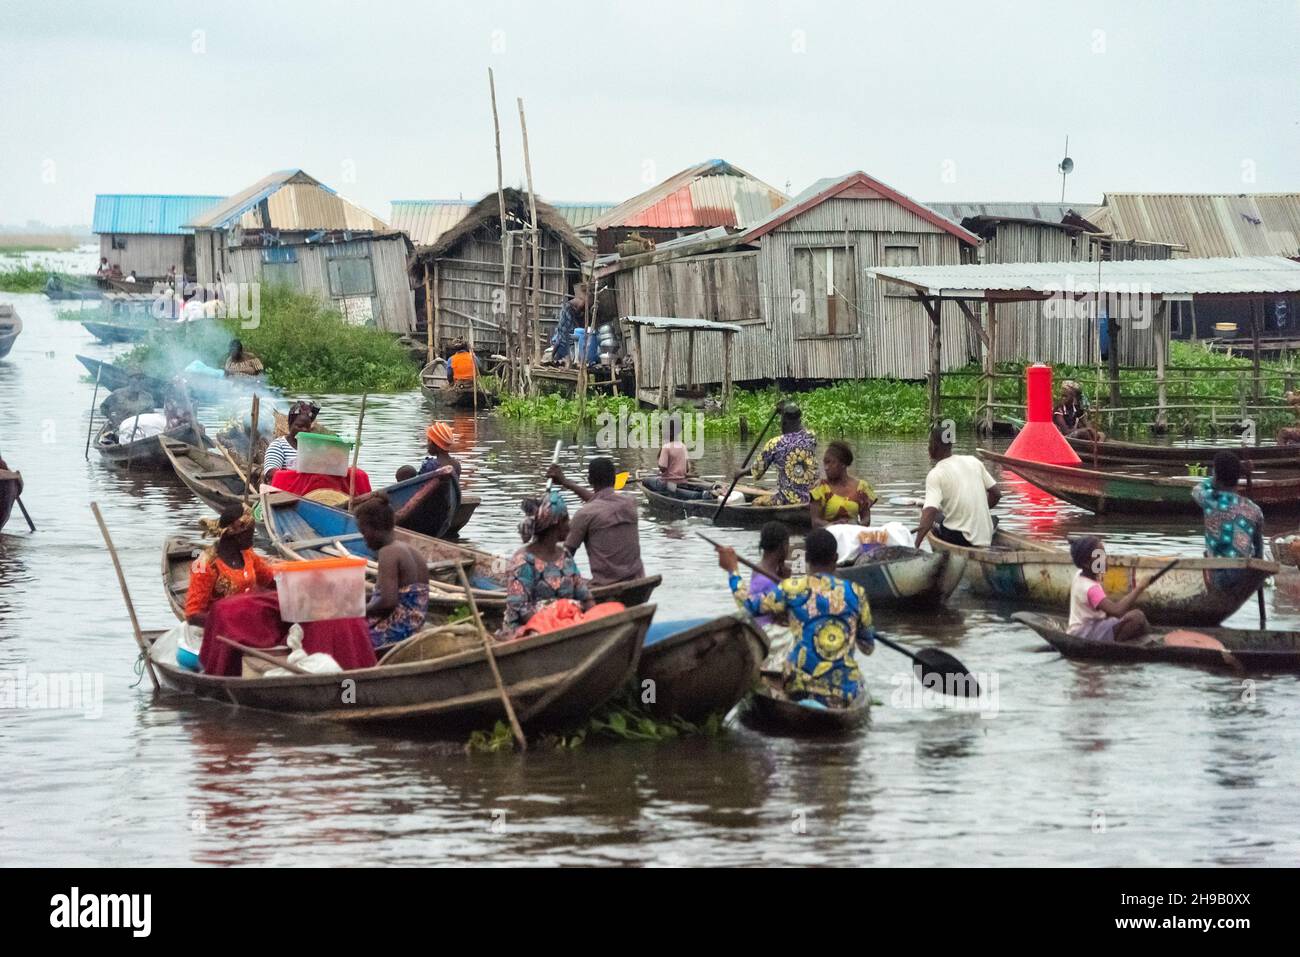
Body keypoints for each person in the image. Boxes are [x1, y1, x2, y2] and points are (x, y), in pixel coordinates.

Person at [718, 528, 873, 708]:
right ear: (836, 558)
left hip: (798, 687)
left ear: (806, 559)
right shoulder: (856, 593)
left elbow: (747, 606)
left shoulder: (792, 589)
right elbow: (867, 647)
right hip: (843, 690)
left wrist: (733, 571)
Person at [502, 489, 593, 636]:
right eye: (565, 520)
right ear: (554, 525)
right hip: (530, 631)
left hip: (567, 625)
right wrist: (554, 626)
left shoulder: (565, 556)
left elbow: (585, 596)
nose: (569, 525)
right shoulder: (523, 561)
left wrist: (592, 617)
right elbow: (520, 610)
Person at [547, 457, 646, 586]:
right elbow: (600, 502)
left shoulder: (585, 514)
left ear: (589, 481)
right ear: (615, 479)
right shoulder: (630, 503)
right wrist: (566, 482)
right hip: (638, 582)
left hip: (605, 585)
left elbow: (565, 556)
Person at [356, 494, 429, 649]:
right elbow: (397, 594)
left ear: (374, 528)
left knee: (347, 635)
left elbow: (388, 601)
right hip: (414, 623)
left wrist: (358, 611)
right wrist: (360, 600)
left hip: (399, 627)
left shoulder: (388, 552)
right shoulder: (410, 549)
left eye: (364, 533)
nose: (364, 540)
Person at [184, 505, 275, 628]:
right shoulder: (205, 566)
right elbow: (192, 615)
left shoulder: (247, 554)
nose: (252, 538)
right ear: (233, 534)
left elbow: (269, 581)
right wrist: (230, 624)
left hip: (249, 621)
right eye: (249, 533)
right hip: (220, 629)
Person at [914, 426, 1001, 548]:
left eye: (929, 443)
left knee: (933, 519)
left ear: (934, 445)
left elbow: (930, 511)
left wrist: (915, 545)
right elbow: (996, 494)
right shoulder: (973, 461)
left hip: (963, 539)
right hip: (986, 535)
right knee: (940, 516)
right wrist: (980, 512)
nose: (928, 447)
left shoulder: (936, 474)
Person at [1067, 535, 1152, 642]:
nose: (1105, 558)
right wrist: (1140, 587)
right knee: (1137, 617)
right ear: (1086, 563)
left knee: (1133, 617)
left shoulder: (1080, 574)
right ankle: (1113, 647)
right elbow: (1117, 611)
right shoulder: (1090, 588)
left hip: (1086, 628)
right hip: (1085, 633)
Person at [1191, 451, 1264, 560]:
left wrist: (1216, 477)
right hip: (1242, 571)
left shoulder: (1209, 499)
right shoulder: (1255, 510)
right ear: (1238, 476)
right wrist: (1242, 470)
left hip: (1217, 574)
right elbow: (1259, 552)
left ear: (1216, 477)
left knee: (1208, 555)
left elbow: (1196, 489)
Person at [742, 404, 818, 507]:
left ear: (784, 422)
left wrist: (740, 473)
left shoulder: (774, 444)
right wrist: (789, 411)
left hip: (787, 500)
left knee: (756, 502)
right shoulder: (810, 437)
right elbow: (802, 428)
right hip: (811, 498)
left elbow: (757, 470)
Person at [810, 441, 877, 527]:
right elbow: (815, 521)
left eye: (831, 462)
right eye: (825, 463)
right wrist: (834, 525)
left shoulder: (861, 488)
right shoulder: (820, 488)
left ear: (843, 464)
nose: (826, 468)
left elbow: (866, 519)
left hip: (852, 535)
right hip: (829, 537)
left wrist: (857, 526)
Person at [640, 415, 706, 499]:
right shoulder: (683, 446)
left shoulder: (666, 447)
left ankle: (662, 494)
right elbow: (687, 468)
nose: (661, 432)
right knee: (656, 479)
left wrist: (660, 461)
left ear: (670, 432)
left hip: (667, 483)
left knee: (646, 480)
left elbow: (663, 468)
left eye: (663, 430)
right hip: (682, 482)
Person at [261, 400, 320, 484]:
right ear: (290, 424)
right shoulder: (279, 445)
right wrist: (298, 478)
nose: (304, 430)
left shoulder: (314, 447)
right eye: (299, 426)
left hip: (312, 492)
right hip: (286, 492)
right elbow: (271, 474)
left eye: (307, 427)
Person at [549, 289, 586, 364]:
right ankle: (552, 356)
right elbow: (577, 311)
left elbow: (575, 314)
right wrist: (580, 314)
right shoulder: (582, 302)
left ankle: (554, 357)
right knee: (561, 336)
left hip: (568, 310)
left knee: (562, 336)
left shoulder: (580, 300)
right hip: (567, 309)